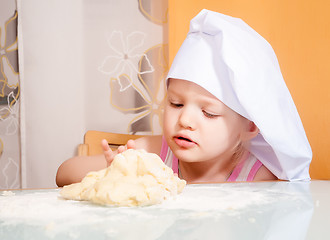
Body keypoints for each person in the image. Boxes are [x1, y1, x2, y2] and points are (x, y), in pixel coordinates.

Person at [56, 9, 312, 187]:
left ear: (250, 125)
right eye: (175, 103)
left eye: (208, 112)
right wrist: (115, 171)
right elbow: (64, 173)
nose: (185, 119)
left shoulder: (256, 177)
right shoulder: (153, 155)